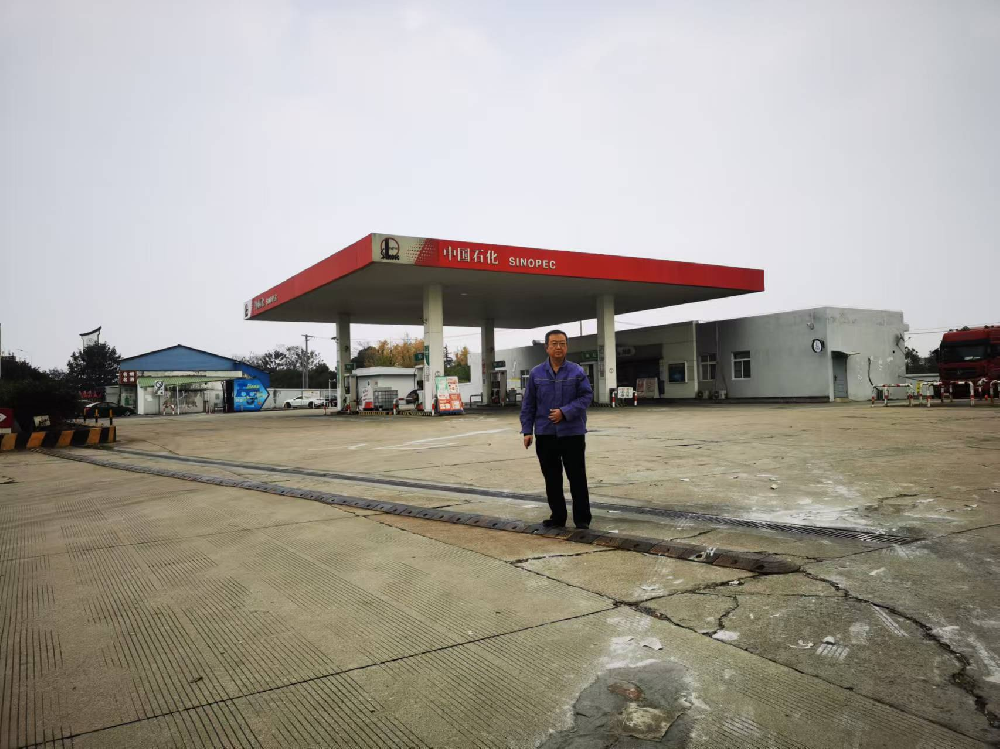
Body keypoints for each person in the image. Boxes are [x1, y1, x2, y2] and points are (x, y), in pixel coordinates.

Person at [520, 329, 594, 529]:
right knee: (552, 478)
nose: (558, 347)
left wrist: (565, 412)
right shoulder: (536, 373)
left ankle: (582, 519)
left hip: (572, 432)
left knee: (577, 477)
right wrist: (527, 431)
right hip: (545, 433)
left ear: (566, 347)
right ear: (547, 347)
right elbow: (529, 404)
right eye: (554, 343)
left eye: (562, 343)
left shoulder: (577, 372)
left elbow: (586, 397)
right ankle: (558, 517)